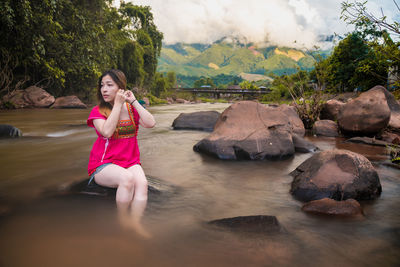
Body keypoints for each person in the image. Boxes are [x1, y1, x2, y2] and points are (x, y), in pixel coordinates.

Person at [87, 69, 155, 237]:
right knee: (127, 179)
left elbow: (151, 123)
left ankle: (135, 222)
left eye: (110, 85)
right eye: (102, 85)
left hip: (131, 161)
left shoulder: (131, 110)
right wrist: (117, 105)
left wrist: (134, 102)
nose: (104, 89)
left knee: (142, 184)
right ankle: (123, 220)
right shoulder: (98, 111)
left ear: (121, 88)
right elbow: (107, 132)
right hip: (104, 164)